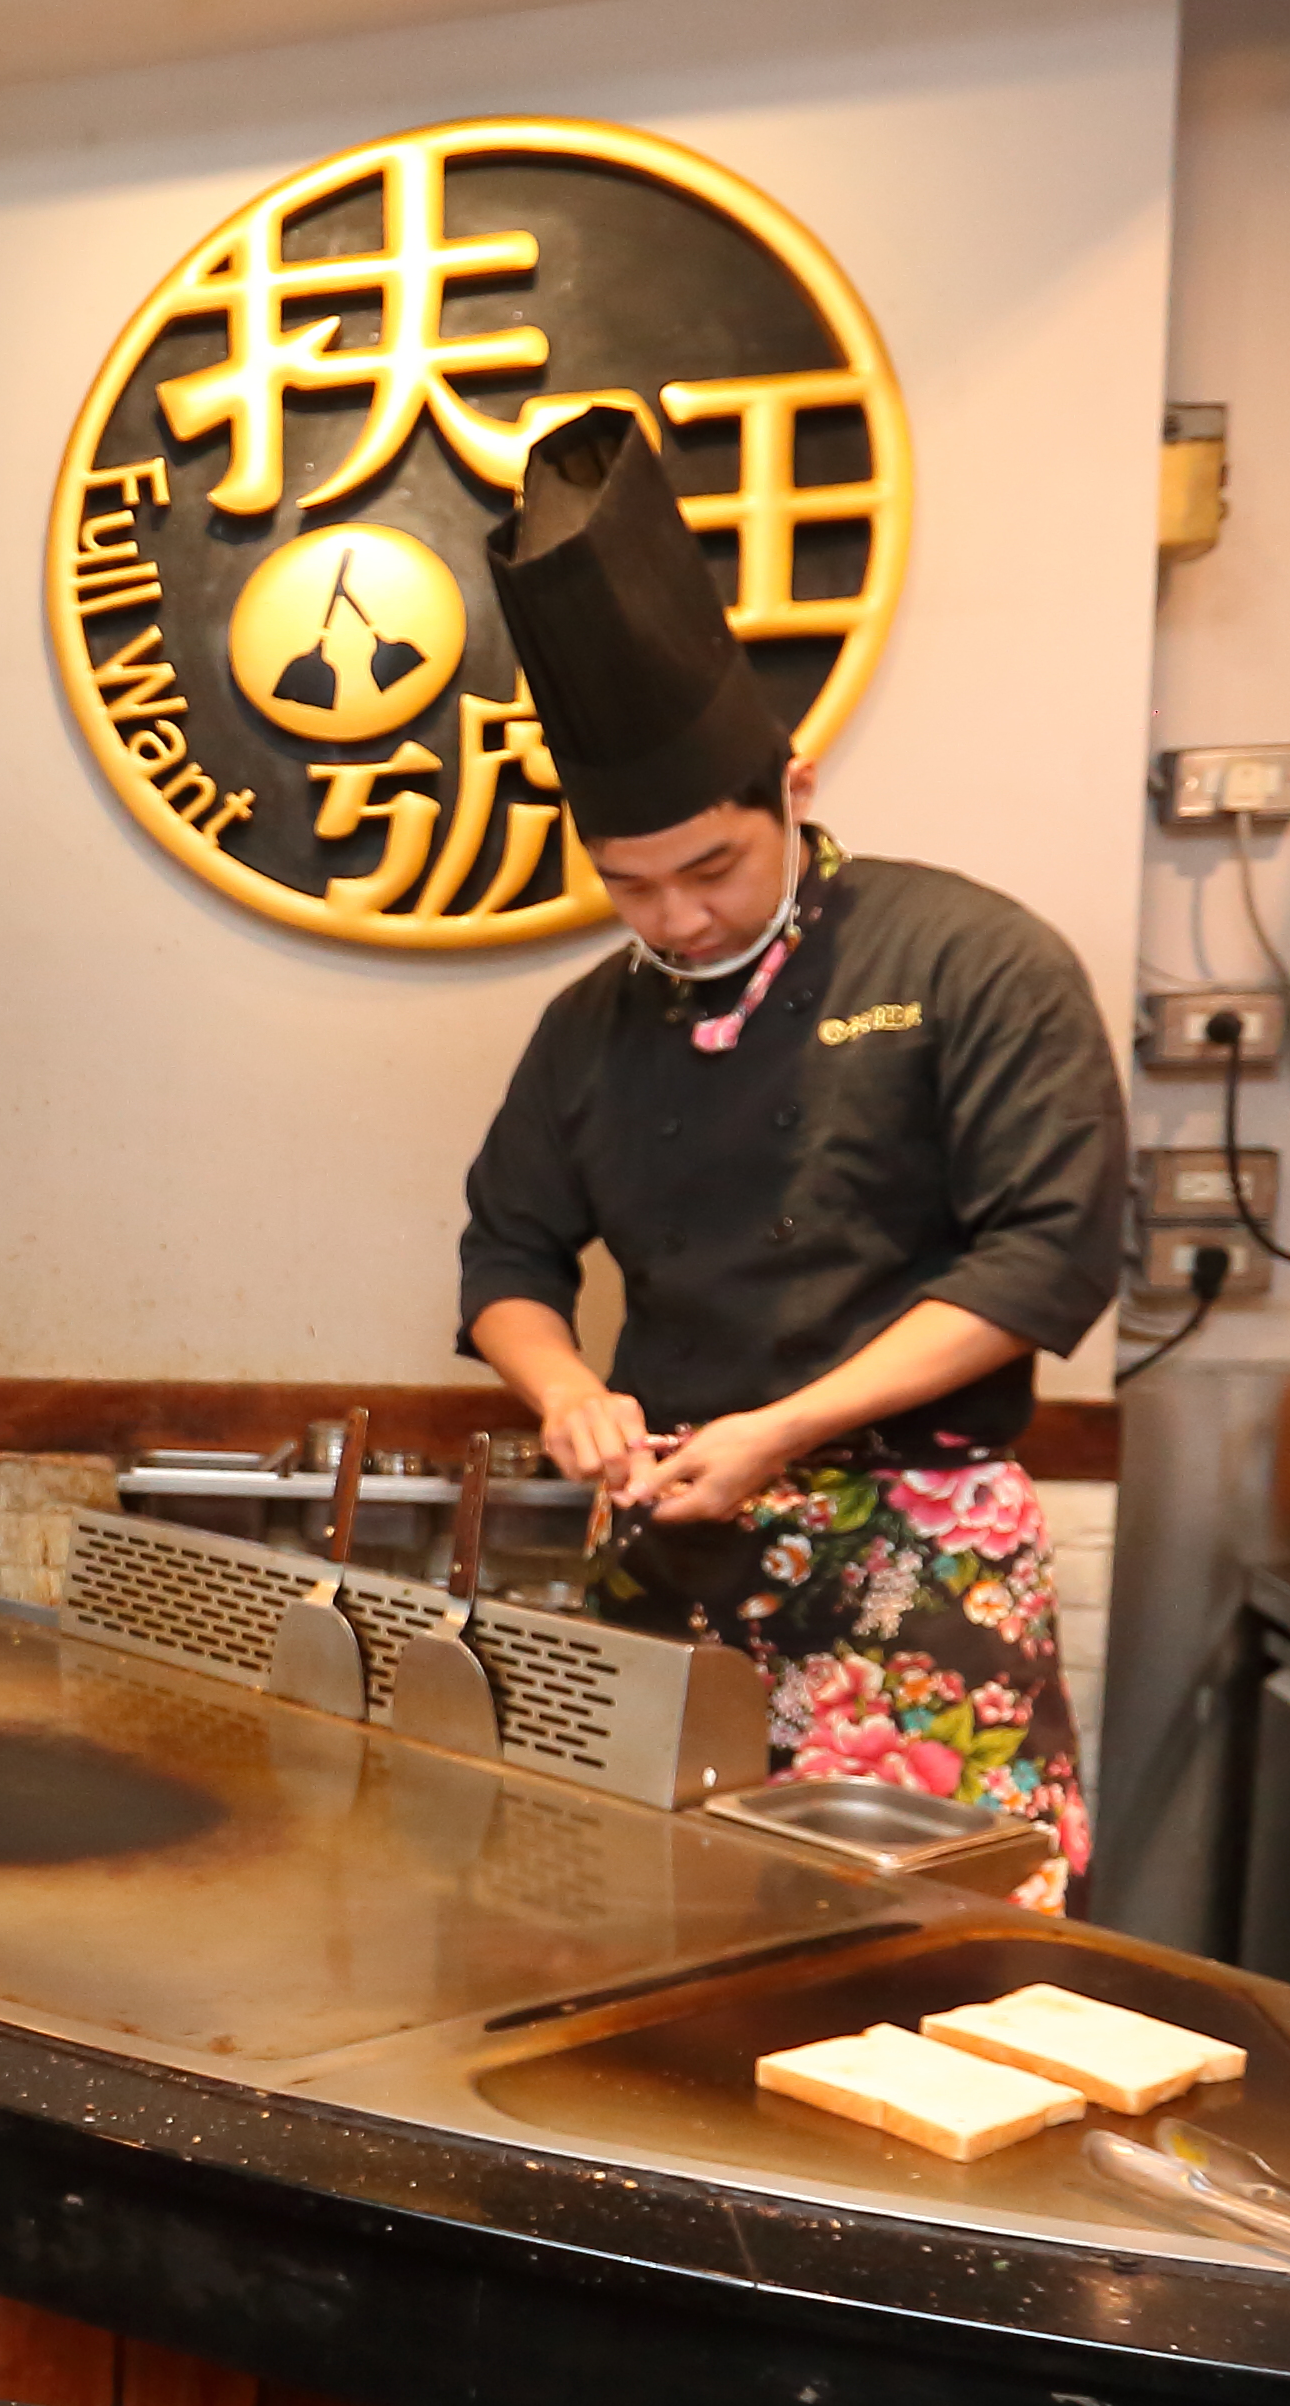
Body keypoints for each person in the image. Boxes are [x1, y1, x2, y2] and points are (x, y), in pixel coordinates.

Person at [451, 408, 1126, 1900]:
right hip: (669, 1561)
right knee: (633, 1938)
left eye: (712, 868)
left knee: (927, 1969)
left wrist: (787, 1427)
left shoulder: (972, 958)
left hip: (917, 1555)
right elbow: (508, 1253)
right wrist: (568, 1393)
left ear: (794, 791)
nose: (678, 918)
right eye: (630, 886)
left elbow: (1044, 1256)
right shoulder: (590, 1027)